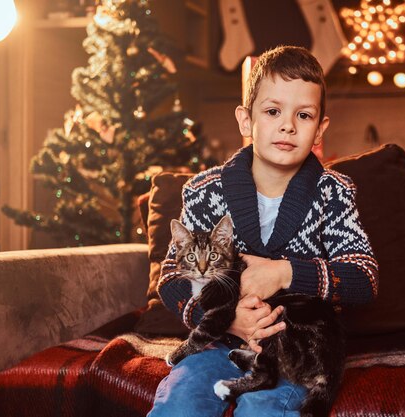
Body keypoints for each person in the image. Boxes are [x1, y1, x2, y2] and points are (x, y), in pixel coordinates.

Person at [148, 45, 379, 417]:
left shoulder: (333, 192)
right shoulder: (204, 191)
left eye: (303, 115)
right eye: (273, 111)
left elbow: (363, 278)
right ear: (245, 120)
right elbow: (172, 276)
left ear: (320, 129)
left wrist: (283, 272)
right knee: (181, 401)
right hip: (221, 341)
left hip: (292, 350)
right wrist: (229, 319)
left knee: (264, 409)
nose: (287, 125)